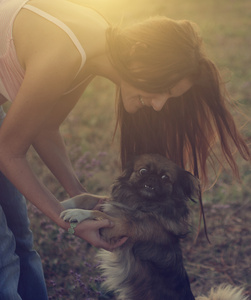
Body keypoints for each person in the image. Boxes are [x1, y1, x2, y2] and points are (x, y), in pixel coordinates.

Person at [0, 0, 250, 298]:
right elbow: (8, 151)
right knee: (3, 256)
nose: (159, 105)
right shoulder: (67, 52)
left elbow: (45, 127)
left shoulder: (91, 49)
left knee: (19, 240)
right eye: (164, 89)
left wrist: (82, 200)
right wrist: (66, 222)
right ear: (139, 54)